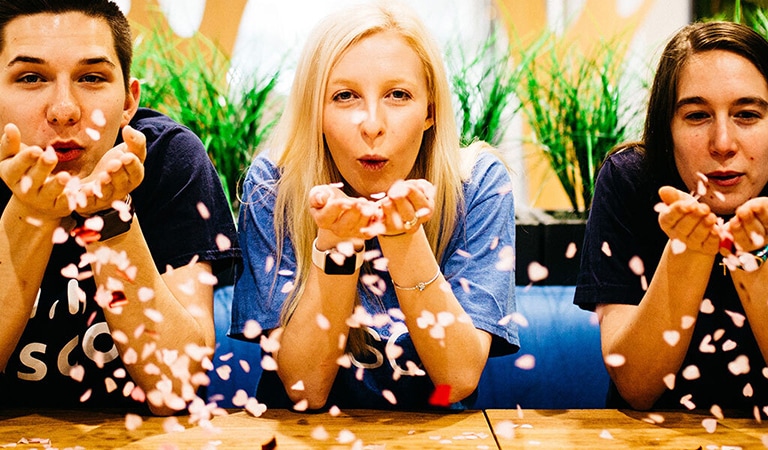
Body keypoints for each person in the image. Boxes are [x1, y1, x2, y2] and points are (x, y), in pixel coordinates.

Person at [231, 1, 518, 410]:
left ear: (430, 111)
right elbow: (303, 391)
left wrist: (403, 235)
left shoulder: (477, 185)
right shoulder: (275, 186)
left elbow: (455, 380)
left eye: (398, 95)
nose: (371, 124)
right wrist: (336, 247)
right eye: (345, 96)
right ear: (317, 110)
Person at [0, 0, 239, 415]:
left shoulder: (166, 159)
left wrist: (110, 215)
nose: (64, 111)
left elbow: (177, 385)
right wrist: (32, 211)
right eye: (31, 77)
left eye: (91, 77)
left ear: (128, 102)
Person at [575, 20, 768, 415]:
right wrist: (688, 253)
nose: (723, 144)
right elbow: (637, 387)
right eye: (697, 116)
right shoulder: (630, 180)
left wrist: (756, 261)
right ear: (667, 127)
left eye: (747, 114)